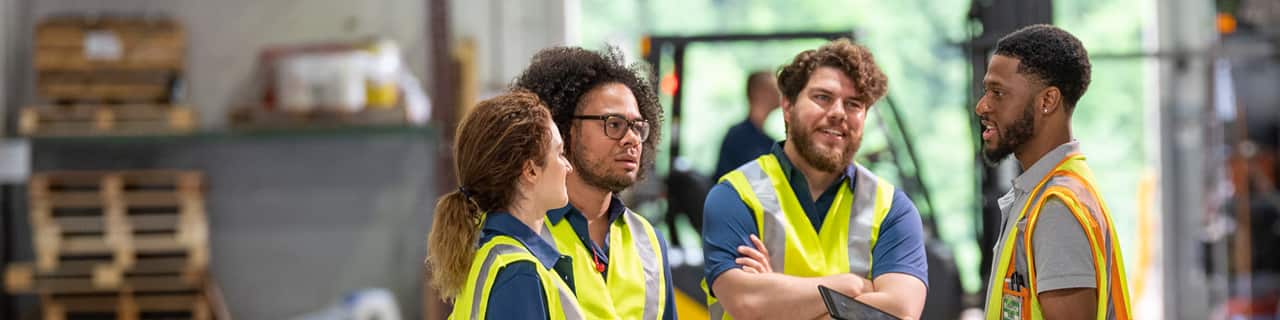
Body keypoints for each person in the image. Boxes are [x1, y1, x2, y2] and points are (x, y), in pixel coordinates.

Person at [701, 39, 929, 320]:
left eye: (854, 103)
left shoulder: (892, 209)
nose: (837, 113)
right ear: (787, 106)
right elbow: (747, 303)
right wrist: (852, 285)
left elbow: (902, 312)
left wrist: (778, 296)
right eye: (822, 97)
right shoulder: (735, 196)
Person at [975, 24, 1131, 320]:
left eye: (998, 92)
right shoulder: (1041, 194)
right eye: (986, 91)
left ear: (1047, 101)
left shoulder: (1056, 209)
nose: (982, 106)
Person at [514, 46, 677, 320]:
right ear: (562, 129)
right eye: (614, 124)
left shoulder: (649, 241)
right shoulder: (521, 234)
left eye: (637, 127)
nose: (632, 139)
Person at [425, 91, 584, 320]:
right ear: (530, 170)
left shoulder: (493, 259)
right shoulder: (519, 274)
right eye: (559, 154)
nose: (568, 166)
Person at [714, 71, 782, 179]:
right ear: (760, 93)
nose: (780, 95)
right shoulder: (738, 137)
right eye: (775, 90)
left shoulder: (768, 142)